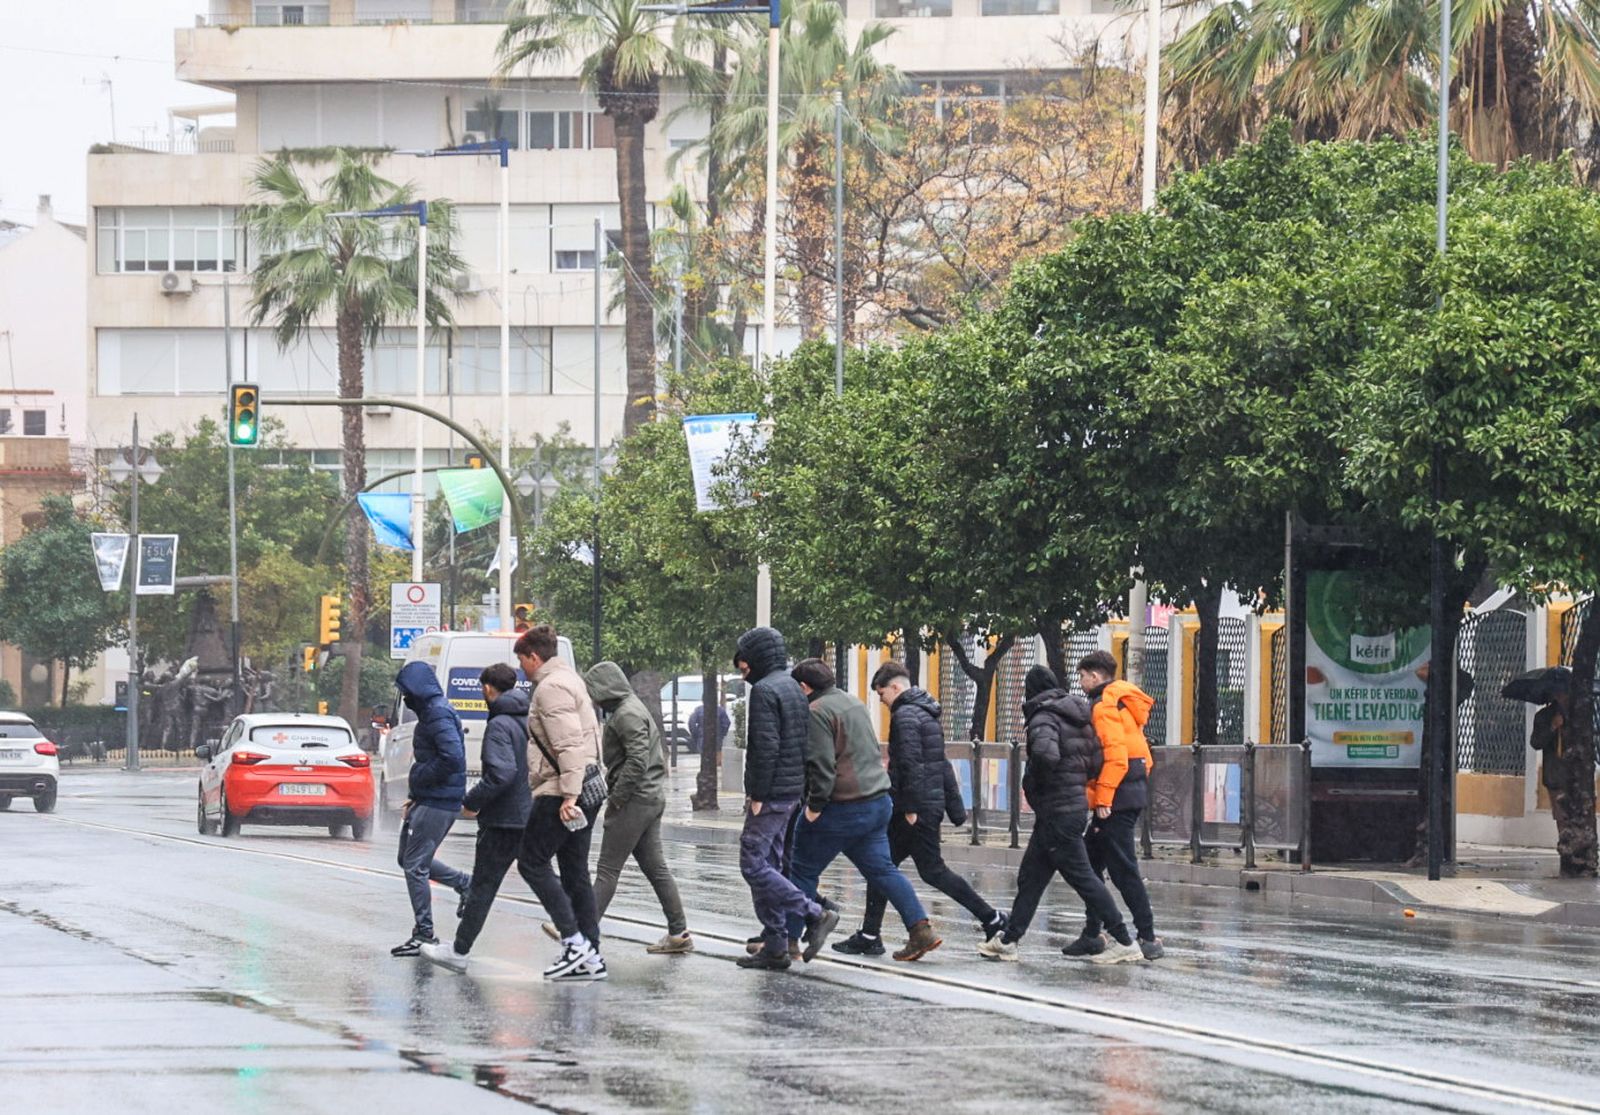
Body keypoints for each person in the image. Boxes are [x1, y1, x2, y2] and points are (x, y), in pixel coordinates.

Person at [837, 660, 1005, 956]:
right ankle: (869, 933)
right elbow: (940, 763)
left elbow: (910, 764)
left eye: (882, 694)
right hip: (924, 805)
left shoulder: (905, 716)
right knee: (888, 867)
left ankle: (991, 918)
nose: (882, 701)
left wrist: (911, 808)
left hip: (912, 809)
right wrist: (953, 806)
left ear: (895, 687)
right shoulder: (927, 714)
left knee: (909, 869)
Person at [979, 664, 1142, 964]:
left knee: (1084, 878)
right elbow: (1095, 762)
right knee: (1032, 876)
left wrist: (1034, 783)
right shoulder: (1078, 715)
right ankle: (1010, 939)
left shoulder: (1043, 716)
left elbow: (1045, 755)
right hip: (1070, 806)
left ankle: (1123, 939)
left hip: (1057, 809)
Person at [785, 659, 942, 962]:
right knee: (882, 869)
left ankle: (787, 940)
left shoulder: (816, 711)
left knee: (802, 869)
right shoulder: (853, 703)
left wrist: (814, 807)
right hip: (877, 803)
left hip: (840, 806)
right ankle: (921, 929)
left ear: (805, 687)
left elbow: (821, 764)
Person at [734, 626, 838, 971]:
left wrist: (758, 794)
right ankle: (776, 945)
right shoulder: (793, 688)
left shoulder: (765, 691)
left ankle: (814, 914)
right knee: (773, 863)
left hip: (773, 792)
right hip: (791, 791)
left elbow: (765, 748)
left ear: (758, 656)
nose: (741, 668)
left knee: (753, 862)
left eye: (744, 661)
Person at [421, 663, 532, 973]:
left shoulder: (499, 724)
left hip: (502, 820)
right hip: (531, 814)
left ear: (486, 688)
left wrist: (472, 802)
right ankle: (578, 942)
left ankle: (459, 950)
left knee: (483, 886)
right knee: (545, 880)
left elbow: (501, 773)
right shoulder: (529, 719)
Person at [515, 625, 608, 981]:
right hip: (582, 786)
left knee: (531, 862)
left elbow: (570, 745)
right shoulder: (571, 679)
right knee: (573, 869)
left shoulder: (551, 688)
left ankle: (574, 942)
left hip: (561, 788)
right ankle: (591, 953)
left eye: (523, 660)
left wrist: (569, 795)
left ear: (534, 657)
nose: (522, 667)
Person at [584, 660, 693, 954]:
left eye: (593, 690)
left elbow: (636, 760)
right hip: (650, 796)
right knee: (656, 868)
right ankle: (678, 932)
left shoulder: (625, 714)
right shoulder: (631, 706)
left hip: (634, 799)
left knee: (607, 870)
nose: (591, 697)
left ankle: (581, 932)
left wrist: (617, 798)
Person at [1074, 650, 1163, 960]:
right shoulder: (1124, 703)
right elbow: (1144, 756)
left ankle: (1147, 936)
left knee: (1123, 868)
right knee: (1089, 863)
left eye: (1082, 676)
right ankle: (1091, 933)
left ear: (1095, 676)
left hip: (1116, 799)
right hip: (1128, 793)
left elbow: (1115, 756)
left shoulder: (1104, 706)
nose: (1081, 683)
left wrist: (1103, 800)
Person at [391, 661, 472, 958]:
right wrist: (416, 793)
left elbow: (452, 757)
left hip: (438, 800)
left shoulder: (437, 713)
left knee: (415, 865)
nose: (406, 699)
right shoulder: (432, 711)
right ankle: (465, 884)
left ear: (418, 691)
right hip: (431, 798)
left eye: (407, 692)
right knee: (408, 859)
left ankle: (424, 933)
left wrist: (421, 780)